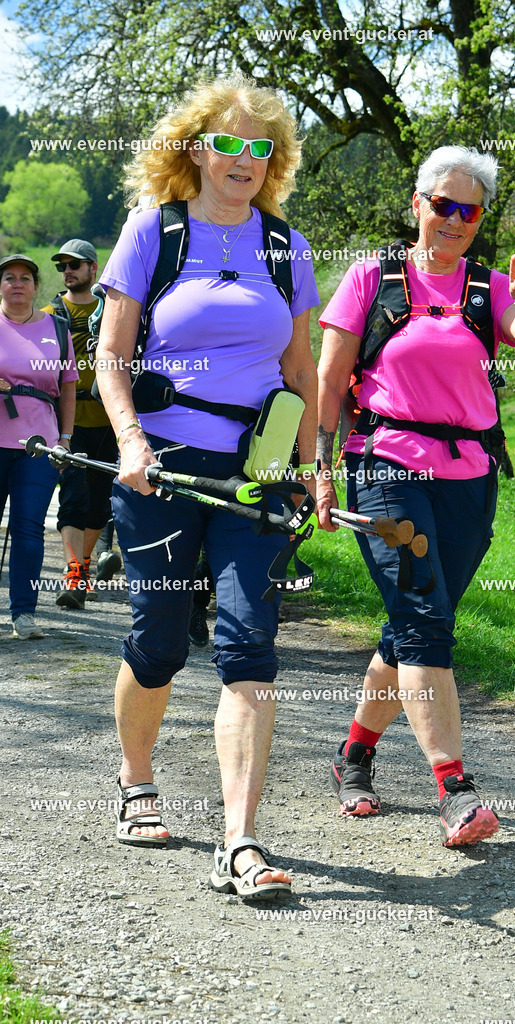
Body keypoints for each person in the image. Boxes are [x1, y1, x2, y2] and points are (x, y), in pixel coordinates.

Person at [95, 73, 318, 899]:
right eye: (228, 142)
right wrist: (130, 441)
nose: (243, 158)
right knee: (159, 641)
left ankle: (240, 842)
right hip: (159, 468)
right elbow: (111, 356)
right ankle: (136, 780)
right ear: (195, 148)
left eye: (260, 147)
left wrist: (312, 467)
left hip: (257, 474)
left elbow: (301, 369)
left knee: (250, 646)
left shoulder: (284, 246)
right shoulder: (153, 231)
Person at [316, 145, 515, 847]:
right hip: (384, 464)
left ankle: (353, 756)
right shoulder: (371, 277)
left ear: (480, 220)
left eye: (468, 211)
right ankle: (455, 788)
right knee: (424, 620)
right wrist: (319, 471)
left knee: (415, 624)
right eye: (442, 204)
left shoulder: (488, 286)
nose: (453, 219)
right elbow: (327, 382)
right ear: (417, 204)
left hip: (470, 475)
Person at [0, 254, 77, 638]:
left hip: (39, 446)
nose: (17, 283)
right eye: (9, 277)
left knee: (28, 528)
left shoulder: (57, 328)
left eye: (25, 278)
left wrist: (65, 439)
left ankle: (23, 614)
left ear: (35, 286)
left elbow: (68, 388)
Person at [42, 239, 122, 609]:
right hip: (68, 425)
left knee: (100, 502)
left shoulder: (115, 310)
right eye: (62, 266)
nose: (67, 271)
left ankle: (83, 567)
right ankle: (73, 574)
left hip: (109, 422)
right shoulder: (49, 315)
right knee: (73, 497)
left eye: (74, 264)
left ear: (93, 268)